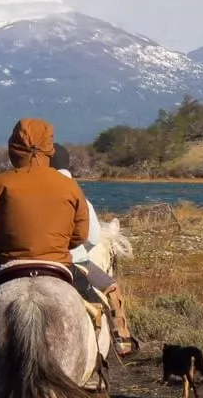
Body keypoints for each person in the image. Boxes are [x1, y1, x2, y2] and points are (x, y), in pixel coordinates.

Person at [0, 118, 89, 386]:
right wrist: (58, 248)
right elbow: (81, 233)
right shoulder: (70, 186)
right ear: (49, 148)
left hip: (8, 264)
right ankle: (98, 368)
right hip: (58, 263)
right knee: (97, 305)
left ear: (13, 148)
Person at [49, 145, 137, 357]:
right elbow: (92, 237)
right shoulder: (77, 194)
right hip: (73, 262)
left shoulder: (27, 188)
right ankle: (122, 340)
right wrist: (76, 250)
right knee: (113, 288)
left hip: (23, 260)